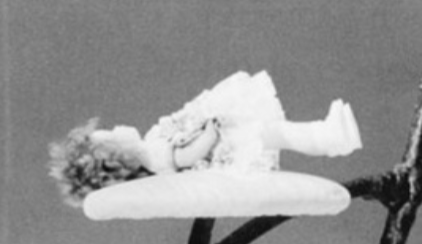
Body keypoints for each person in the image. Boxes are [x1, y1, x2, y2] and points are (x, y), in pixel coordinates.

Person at [49, 70, 362, 204]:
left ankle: (328, 135)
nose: (117, 128)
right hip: (226, 147)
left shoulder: (149, 149)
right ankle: (330, 139)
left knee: (277, 133)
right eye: (112, 135)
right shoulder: (153, 155)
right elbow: (186, 156)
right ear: (116, 157)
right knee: (275, 133)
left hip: (223, 144)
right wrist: (210, 134)